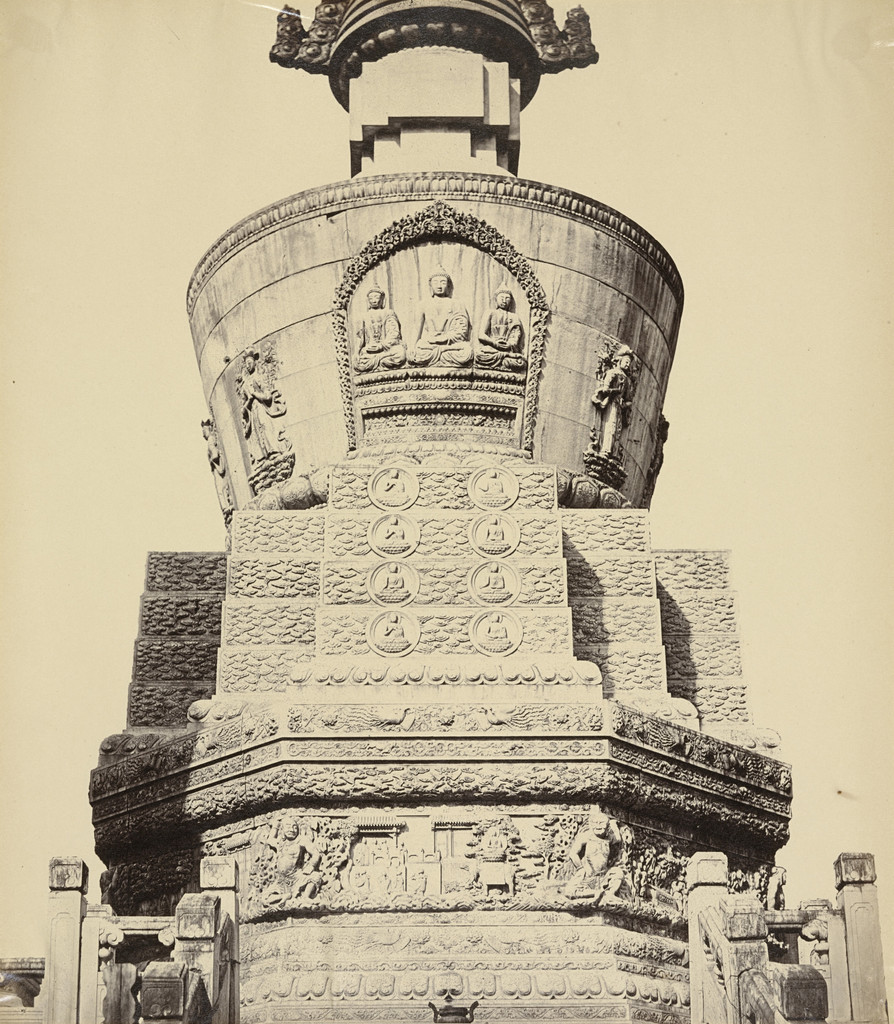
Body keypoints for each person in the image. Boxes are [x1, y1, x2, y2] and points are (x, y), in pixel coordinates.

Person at [409, 270, 472, 367]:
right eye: (435, 282)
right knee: (418, 352)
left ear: (448, 286)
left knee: (467, 352)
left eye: (443, 282)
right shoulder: (422, 305)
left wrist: (445, 338)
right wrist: (412, 347)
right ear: (430, 286)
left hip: (450, 345)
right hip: (429, 344)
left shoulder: (456, 304)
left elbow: (462, 331)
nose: (439, 286)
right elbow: (417, 328)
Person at [241, 350, 286, 462]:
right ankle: (264, 456)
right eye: (246, 364)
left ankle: (274, 451)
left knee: (265, 428)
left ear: (255, 362)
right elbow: (243, 409)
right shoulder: (245, 384)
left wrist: (254, 394)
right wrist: (249, 401)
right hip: (253, 412)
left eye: (249, 363)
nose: (248, 366)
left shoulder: (259, 377)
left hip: (261, 408)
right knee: (257, 433)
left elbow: (267, 396)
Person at [353, 286, 405, 372]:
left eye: (377, 297)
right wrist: (356, 352)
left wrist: (381, 346)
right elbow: (360, 337)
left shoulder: (388, 313)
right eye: (371, 298)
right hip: (369, 351)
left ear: (382, 300)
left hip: (386, 349)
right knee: (358, 361)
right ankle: (378, 362)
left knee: (400, 353)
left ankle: (378, 361)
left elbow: (394, 334)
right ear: (367, 301)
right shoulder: (364, 316)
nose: (374, 300)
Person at [476, 288, 527, 371]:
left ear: (510, 301)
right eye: (501, 298)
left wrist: (509, 344)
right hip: (491, 349)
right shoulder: (490, 313)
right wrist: (495, 343)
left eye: (507, 298)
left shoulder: (514, 317)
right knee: (480, 356)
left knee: (519, 362)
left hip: (508, 351)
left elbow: (515, 335)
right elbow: (481, 335)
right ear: (496, 300)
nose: (504, 301)